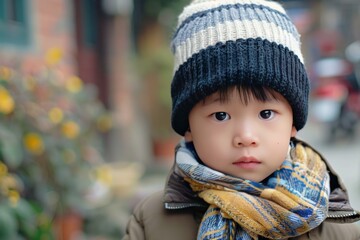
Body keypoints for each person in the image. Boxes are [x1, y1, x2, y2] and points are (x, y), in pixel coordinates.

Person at [123, 0, 360, 239]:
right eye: (221, 115)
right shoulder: (153, 222)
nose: (246, 137)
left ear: (293, 124)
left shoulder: (335, 227)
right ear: (189, 127)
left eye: (266, 114)